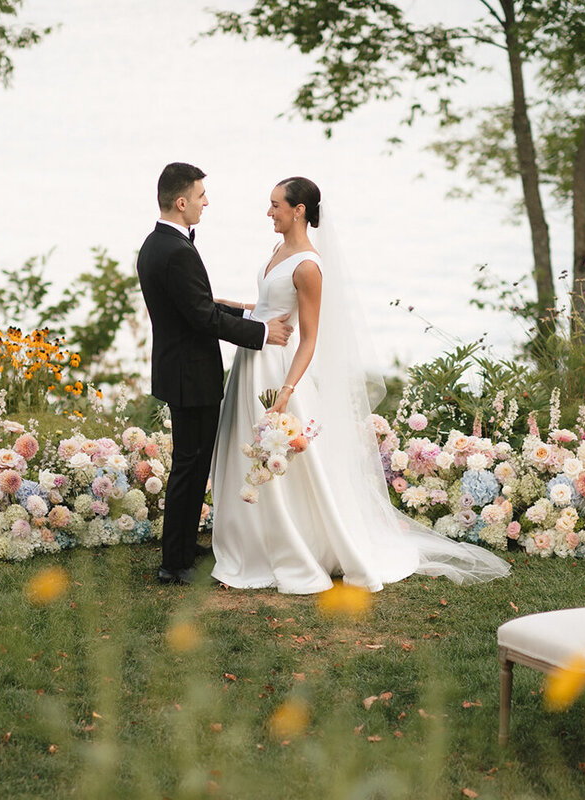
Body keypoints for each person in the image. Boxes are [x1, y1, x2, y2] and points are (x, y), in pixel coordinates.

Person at [209, 177, 511, 593]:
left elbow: (309, 337)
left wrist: (286, 391)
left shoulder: (309, 266)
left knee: (285, 461)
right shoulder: (278, 250)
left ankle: (292, 546)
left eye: (276, 205)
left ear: (299, 210)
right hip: (252, 360)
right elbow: (268, 304)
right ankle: (250, 540)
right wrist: (232, 307)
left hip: (279, 369)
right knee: (248, 447)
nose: (269, 212)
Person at [136, 162, 294, 585]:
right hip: (191, 376)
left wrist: (240, 310)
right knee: (190, 466)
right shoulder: (175, 251)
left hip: (179, 370)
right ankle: (175, 563)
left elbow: (195, 307)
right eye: (201, 195)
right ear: (182, 201)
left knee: (193, 463)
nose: (207, 202)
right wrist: (262, 332)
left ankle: (183, 547)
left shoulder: (156, 244)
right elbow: (202, 318)